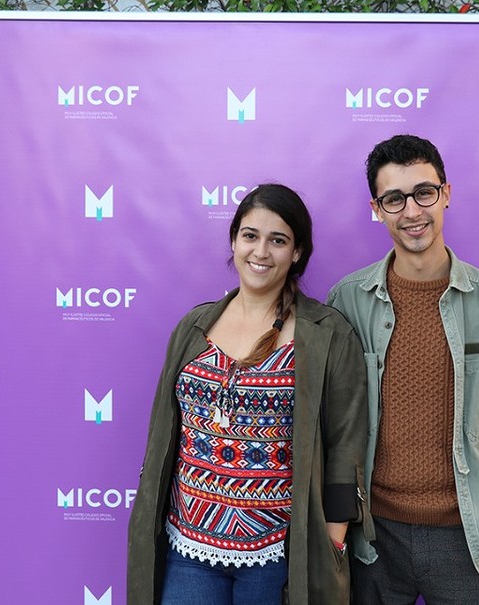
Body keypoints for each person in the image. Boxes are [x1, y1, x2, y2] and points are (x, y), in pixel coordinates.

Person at [127, 184, 369, 605]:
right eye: (250, 236)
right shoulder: (194, 327)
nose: (261, 251)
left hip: (277, 554)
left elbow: (345, 442)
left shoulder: (327, 334)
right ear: (234, 241)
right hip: (189, 549)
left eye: (278, 240)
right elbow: (165, 434)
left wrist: (332, 540)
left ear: (297, 252)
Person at [327, 135, 479, 604]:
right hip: (373, 538)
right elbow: (334, 420)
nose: (412, 211)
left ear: (446, 194)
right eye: (394, 199)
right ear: (377, 209)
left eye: (423, 193)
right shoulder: (347, 301)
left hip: (465, 537)